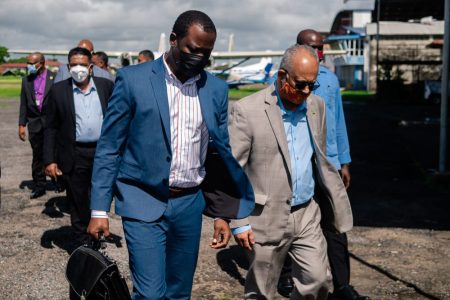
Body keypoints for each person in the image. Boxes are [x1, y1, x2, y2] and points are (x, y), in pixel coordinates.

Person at [86, 10, 254, 299]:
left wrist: (221, 214)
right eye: (192, 49)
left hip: (190, 203)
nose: (199, 58)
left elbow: (218, 155)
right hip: (141, 200)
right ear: (174, 39)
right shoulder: (132, 79)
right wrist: (99, 210)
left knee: (179, 292)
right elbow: (110, 147)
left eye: (206, 53)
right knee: (150, 293)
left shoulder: (215, 89)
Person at [228, 44, 353, 300]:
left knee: (318, 281)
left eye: (312, 84)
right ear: (282, 75)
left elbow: (318, 157)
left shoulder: (316, 107)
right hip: (264, 216)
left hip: (306, 213)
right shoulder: (248, 110)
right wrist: (237, 222)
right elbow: (232, 170)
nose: (306, 91)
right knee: (261, 291)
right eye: (300, 84)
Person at [277, 29, 369, 300]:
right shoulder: (283, 79)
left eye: (321, 47)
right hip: (297, 164)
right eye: (312, 47)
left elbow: (338, 122)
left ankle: (342, 285)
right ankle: (284, 276)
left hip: (327, 164)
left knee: (335, 225)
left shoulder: (329, 81)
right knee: (288, 220)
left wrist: (345, 161)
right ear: (298, 48)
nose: (319, 52)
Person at [43, 47, 114, 245]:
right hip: (74, 153)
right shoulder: (58, 91)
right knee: (78, 199)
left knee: (101, 195)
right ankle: (83, 244)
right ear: (68, 67)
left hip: (102, 151)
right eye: (74, 65)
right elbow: (50, 128)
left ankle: (97, 230)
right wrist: (50, 159)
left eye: (82, 64)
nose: (78, 68)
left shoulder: (106, 86)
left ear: (90, 67)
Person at [18, 52, 55, 199]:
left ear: (42, 63)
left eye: (32, 63)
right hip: (34, 123)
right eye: (28, 63)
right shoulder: (26, 80)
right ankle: (39, 185)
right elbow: (23, 104)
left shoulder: (55, 77)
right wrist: (21, 124)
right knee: (37, 156)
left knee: (54, 153)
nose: (29, 66)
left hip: (51, 122)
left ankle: (58, 181)